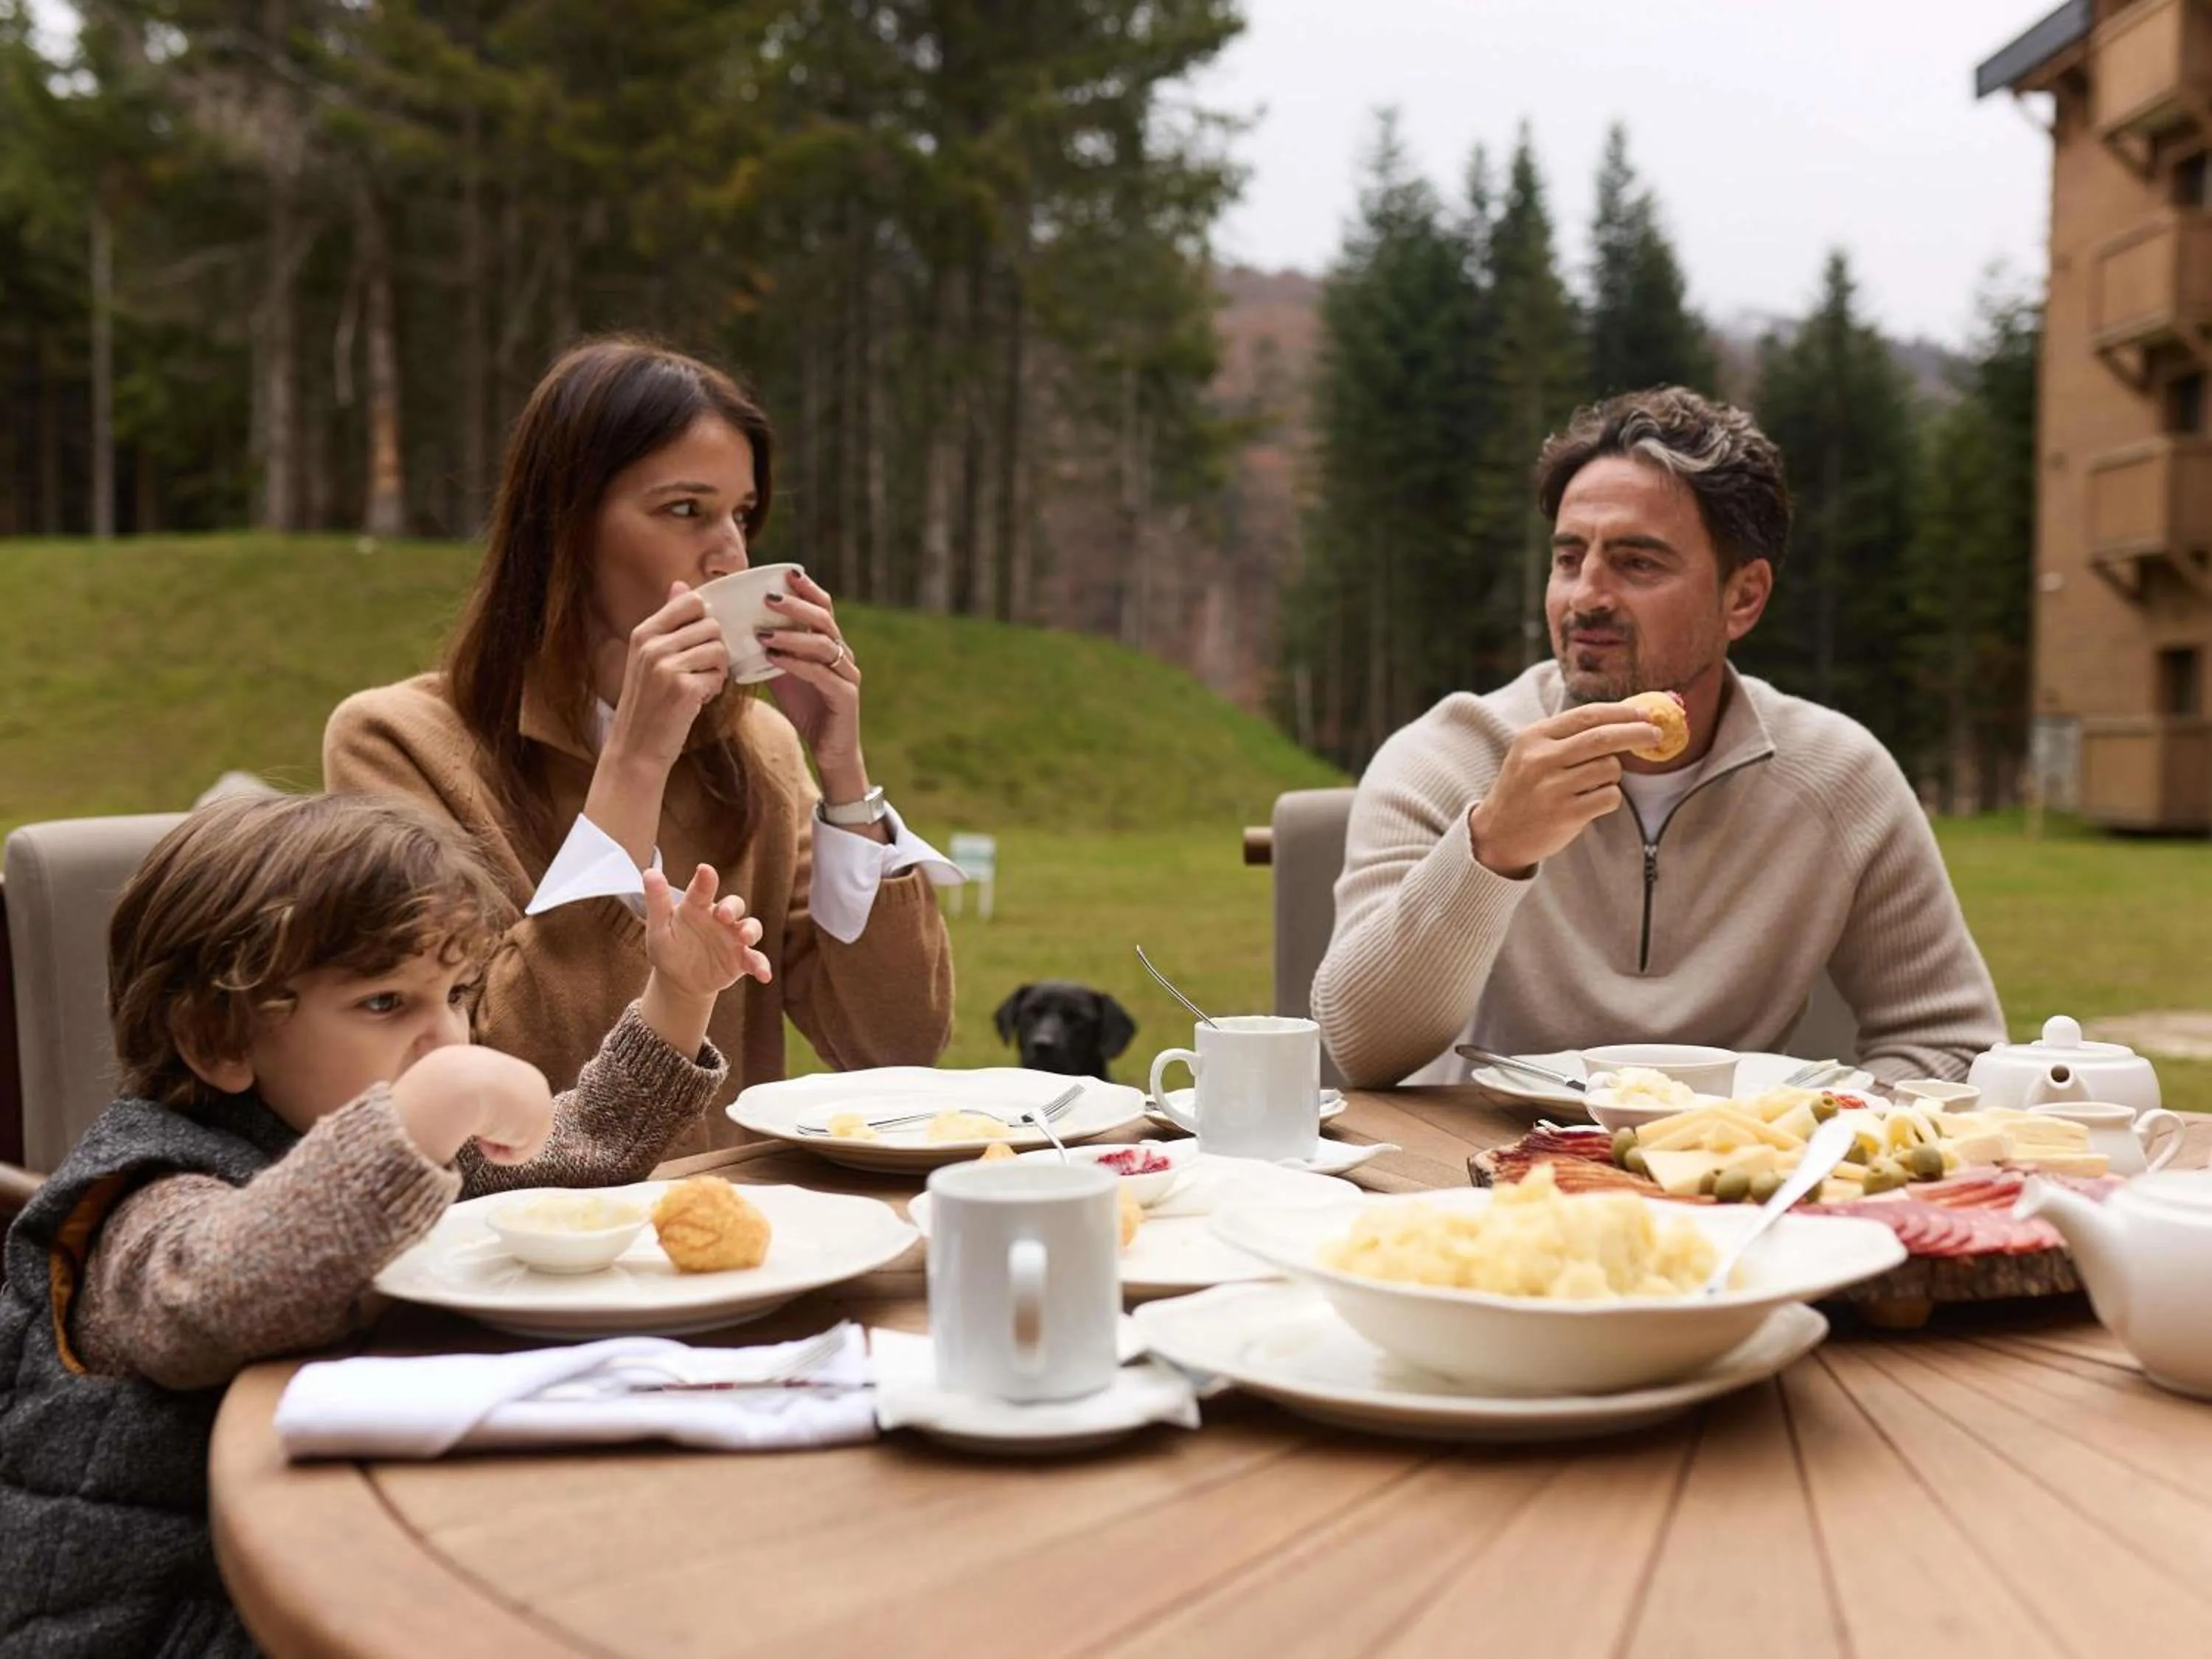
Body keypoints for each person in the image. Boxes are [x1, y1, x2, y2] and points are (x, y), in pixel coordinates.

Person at [0, 791, 764, 1656]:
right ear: (218, 1038)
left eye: (457, 994)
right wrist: (432, 1106)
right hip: (179, 1620)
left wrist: (679, 992)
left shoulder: (381, 1149)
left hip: (340, 1547)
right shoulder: (148, 1195)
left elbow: (572, 1155)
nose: (444, 1038)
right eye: (385, 1004)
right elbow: (213, 1300)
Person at [325, 338, 955, 1141]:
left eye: (743, 515)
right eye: (686, 511)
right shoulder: (393, 743)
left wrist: (843, 776)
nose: (730, 553)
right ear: (564, 527)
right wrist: (636, 764)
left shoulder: (758, 748)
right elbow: (494, 1079)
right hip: (521, 1243)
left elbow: (894, 1047)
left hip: (739, 1227)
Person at [1310, 386, 2005, 1088]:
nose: (1587, 596)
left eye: (1638, 563)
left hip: (1736, 1181)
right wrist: (1491, 849)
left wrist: (1802, 1132)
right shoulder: (1446, 758)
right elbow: (1360, 1048)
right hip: (1490, 1178)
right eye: (1569, 558)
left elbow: (1951, 1041)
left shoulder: (1839, 777)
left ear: (1743, 598)